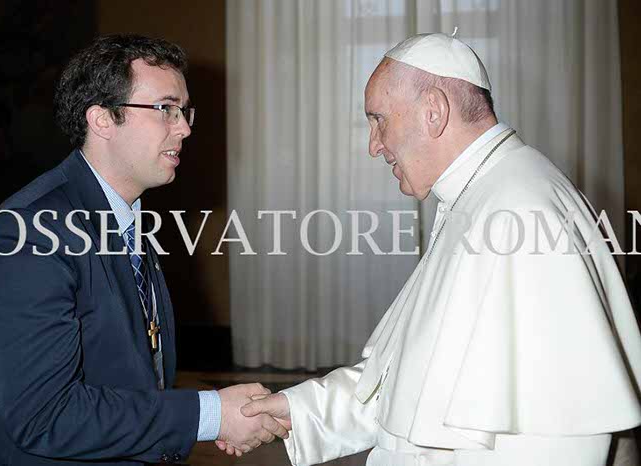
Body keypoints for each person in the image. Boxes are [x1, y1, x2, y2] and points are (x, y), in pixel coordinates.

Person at [235, 33, 641, 465]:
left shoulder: (520, 208)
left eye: (378, 120)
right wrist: (299, 410)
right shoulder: (482, 193)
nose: (374, 145)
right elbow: (415, 383)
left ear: (433, 110)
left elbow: (556, 437)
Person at [0, 34, 287, 466]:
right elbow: (46, 417)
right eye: (166, 109)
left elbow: (127, 374)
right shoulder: (29, 232)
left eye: (185, 111)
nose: (185, 128)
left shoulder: (123, 216)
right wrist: (210, 415)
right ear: (102, 120)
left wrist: (215, 417)